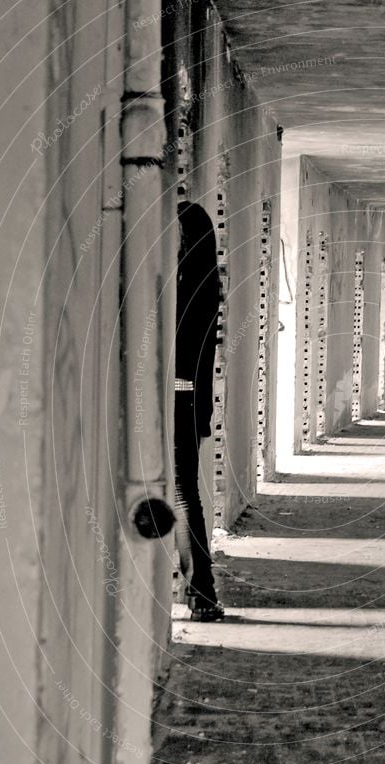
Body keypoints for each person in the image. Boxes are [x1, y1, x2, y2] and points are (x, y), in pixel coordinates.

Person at [174, 201, 224, 621]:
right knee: (185, 492)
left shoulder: (182, 293)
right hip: (190, 402)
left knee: (181, 493)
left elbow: (184, 360)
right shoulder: (205, 288)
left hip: (176, 401)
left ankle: (201, 589)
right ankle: (200, 590)